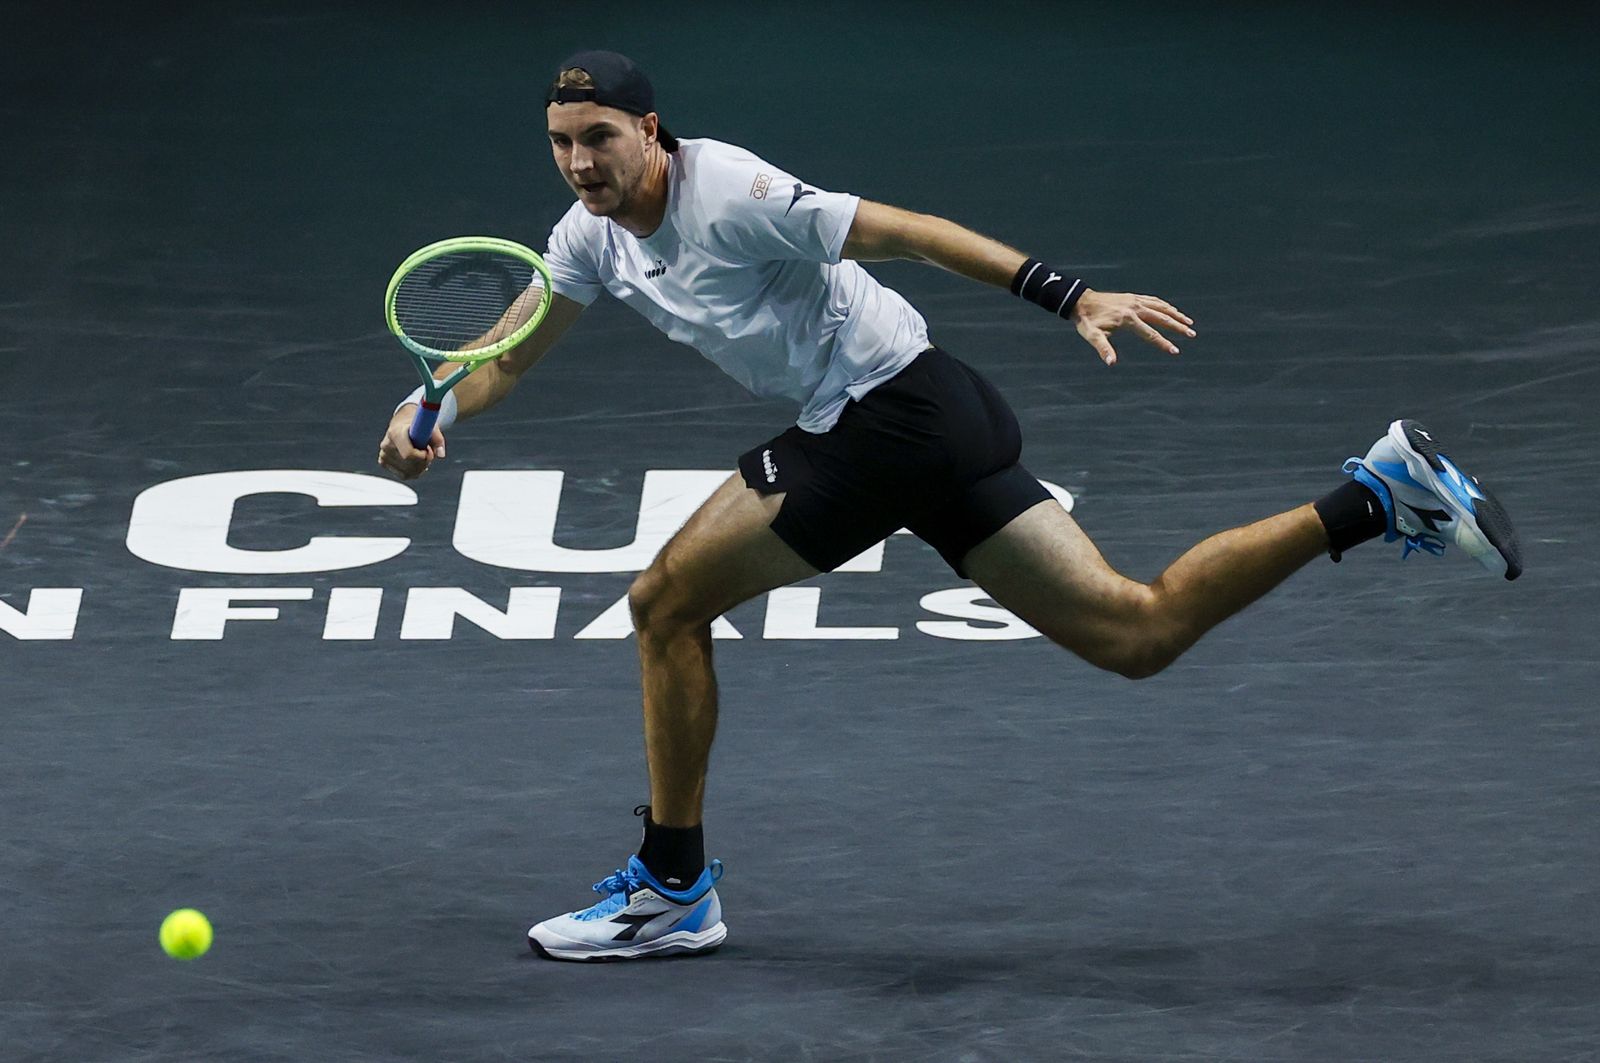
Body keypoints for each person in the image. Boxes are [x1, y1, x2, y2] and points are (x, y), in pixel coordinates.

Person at [377, 51, 1522, 961]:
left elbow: (907, 232)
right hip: (929, 418)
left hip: (886, 420)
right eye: (562, 144)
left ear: (651, 134)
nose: (580, 162)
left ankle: (672, 889)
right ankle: (1377, 496)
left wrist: (1066, 293)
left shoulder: (729, 195)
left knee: (663, 603)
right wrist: (441, 404)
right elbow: (512, 348)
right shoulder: (587, 236)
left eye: (600, 139)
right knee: (1136, 630)